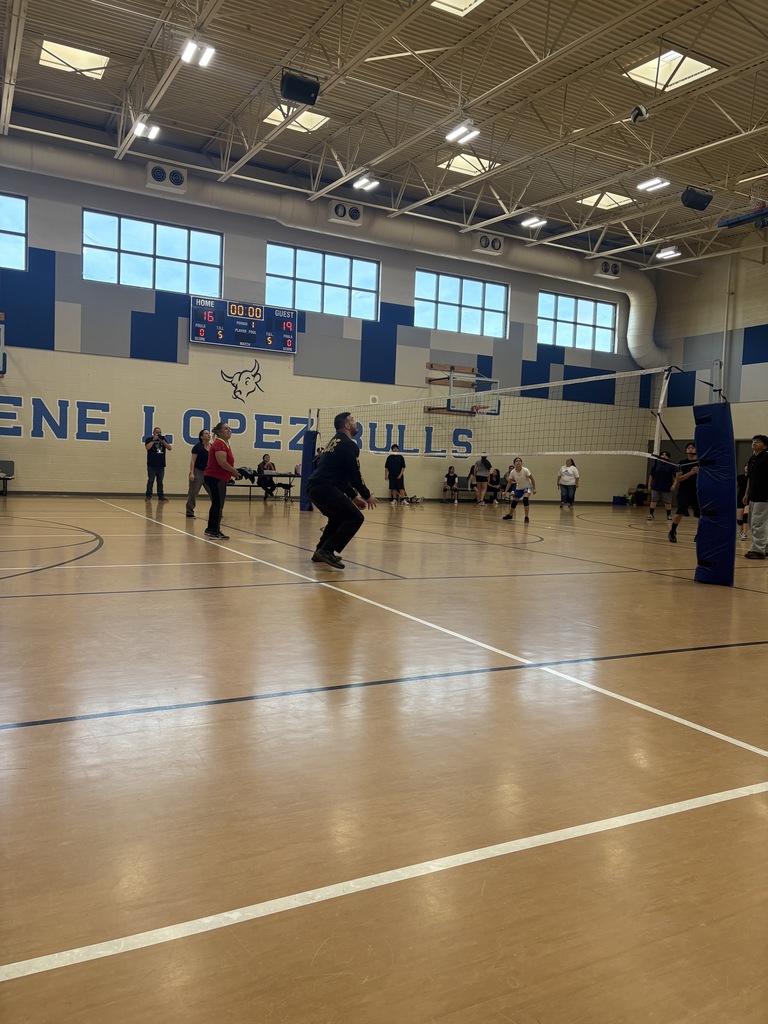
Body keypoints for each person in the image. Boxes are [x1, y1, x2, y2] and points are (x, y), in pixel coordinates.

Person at [306, 411, 378, 569]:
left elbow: (341, 475)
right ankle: (327, 550)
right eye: (352, 420)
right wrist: (366, 495)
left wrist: (353, 496)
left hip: (315, 488)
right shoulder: (348, 444)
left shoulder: (334, 442)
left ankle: (320, 551)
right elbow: (354, 474)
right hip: (324, 488)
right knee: (355, 518)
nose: (355, 422)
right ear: (346, 425)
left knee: (337, 518)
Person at [203, 422, 242, 540]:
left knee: (216, 503)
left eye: (229, 428)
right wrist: (234, 472)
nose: (229, 430)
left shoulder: (225, 444)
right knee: (219, 504)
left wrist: (232, 472)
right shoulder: (219, 443)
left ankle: (210, 529)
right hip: (215, 477)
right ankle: (215, 531)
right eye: (226, 429)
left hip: (218, 477)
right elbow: (222, 462)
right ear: (219, 432)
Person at [668, 442, 699, 543]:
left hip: (698, 491)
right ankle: (672, 531)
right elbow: (679, 479)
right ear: (686, 450)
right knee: (680, 512)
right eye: (689, 448)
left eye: (693, 448)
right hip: (684, 491)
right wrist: (691, 473)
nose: (690, 449)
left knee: (700, 515)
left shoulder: (701, 463)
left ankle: (699, 534)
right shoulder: (681, 463)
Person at [743, 434, 768, 560]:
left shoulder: (766, 457)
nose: (754, 443)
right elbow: (749, 478)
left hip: (764, 496)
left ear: (765, 445)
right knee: (753, 521)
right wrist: (746, 494)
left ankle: (758, 550)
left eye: (758, 441)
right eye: (753, 441)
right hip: (754, 495)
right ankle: (764, 546)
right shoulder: (752, 459)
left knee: (758, 523)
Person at [185, 429, 211, 519]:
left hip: (208, 473)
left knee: (213, 492)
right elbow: (193, 460)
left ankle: (216, 511)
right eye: (206, 433)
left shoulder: (212, 447)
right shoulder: (197, 447)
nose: (208, 435)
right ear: (201, 436)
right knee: (193, 492)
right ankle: (189, 512)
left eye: (209, 433)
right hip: (198, 471)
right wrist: (192, 473)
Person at [502, 457, 536, 522]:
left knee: (525, 500)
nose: (518, 462)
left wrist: (534, 488)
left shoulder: (525, 470)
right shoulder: (513, 472)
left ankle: (526, 517)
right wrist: (505, 492)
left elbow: (532, 479)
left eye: (520, 461)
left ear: (521, 463)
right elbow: (509, 482)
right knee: (514, 502)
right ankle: (510, 515)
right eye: (517, 461)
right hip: (519, 487)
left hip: (527, 487)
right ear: (514, 463)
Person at [144, 426, 172, 501]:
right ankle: (148, 495)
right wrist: (153, 440)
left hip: (161, 464)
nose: (158, 434)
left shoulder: (163, 439)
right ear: (153, 433)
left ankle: (161, 495)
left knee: (160, 481)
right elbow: (147, 447)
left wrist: (163, 441)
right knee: (151, 480)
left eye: (159, 432)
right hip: (152, 464)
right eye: (157, 432)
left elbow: (169, 448)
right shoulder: (149, 439)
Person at [646, 451, 675, 521]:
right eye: (662, 455)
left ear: (668, 457)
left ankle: (669, 515)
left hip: (667, 486)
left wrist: (673, 485)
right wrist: (649, 485)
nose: (664, 456)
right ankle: (651, 514)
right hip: (656, 486)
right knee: (653, 500)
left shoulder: (671, 466)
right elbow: (651, 475)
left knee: (667, 502)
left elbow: (676, 477)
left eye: (666, 455)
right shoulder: (656, 464)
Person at [736, 462, 750, 541]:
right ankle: (741, 529)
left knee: (746, 515)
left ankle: (744, 533)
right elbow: (735, 486)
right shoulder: (740, 477)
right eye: (746, 466)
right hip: (740, 499)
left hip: (749, 499)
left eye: (748, 466)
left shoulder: (752, 477)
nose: (747, 467)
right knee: (739, 520)